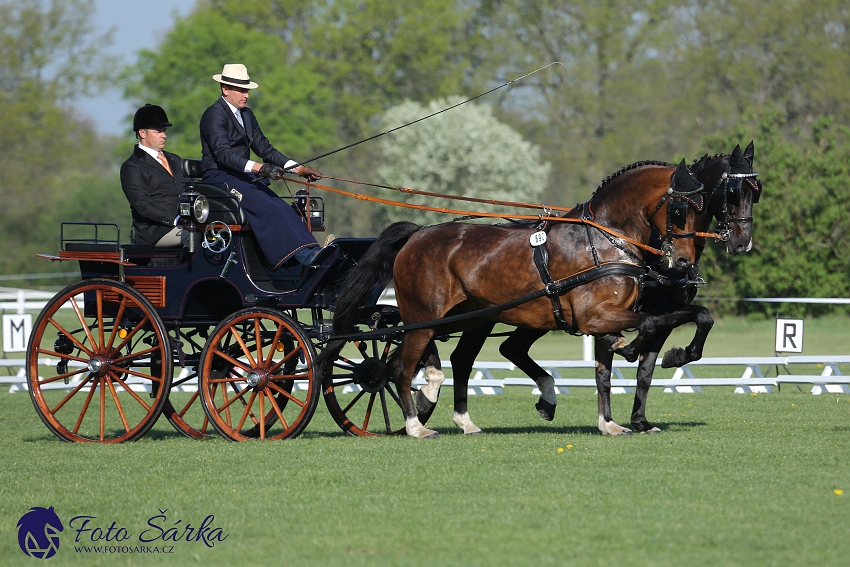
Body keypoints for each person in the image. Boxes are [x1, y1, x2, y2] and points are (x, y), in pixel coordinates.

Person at [199, 63, 325, 269]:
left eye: (247, 90)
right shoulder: (213, 115)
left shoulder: (247, 115)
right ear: (225, 89)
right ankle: (305, 257)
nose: (246, 95)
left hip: (243, 177)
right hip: (219, 177)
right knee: (270, 206)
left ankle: (312, 251)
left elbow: (265, 150)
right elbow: (223, 155)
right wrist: (260, 168)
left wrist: (300, 169)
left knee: (282, 206)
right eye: (241, 90)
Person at [120, 104, 188, 247]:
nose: (164, 135)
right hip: (156, 232)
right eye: (158, 131)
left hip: (184, 223)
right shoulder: (132, 166)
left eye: (164, 131)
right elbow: (143, 205)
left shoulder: (175, 160)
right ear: (142, 133)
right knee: (195, 237)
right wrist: (175, 218)